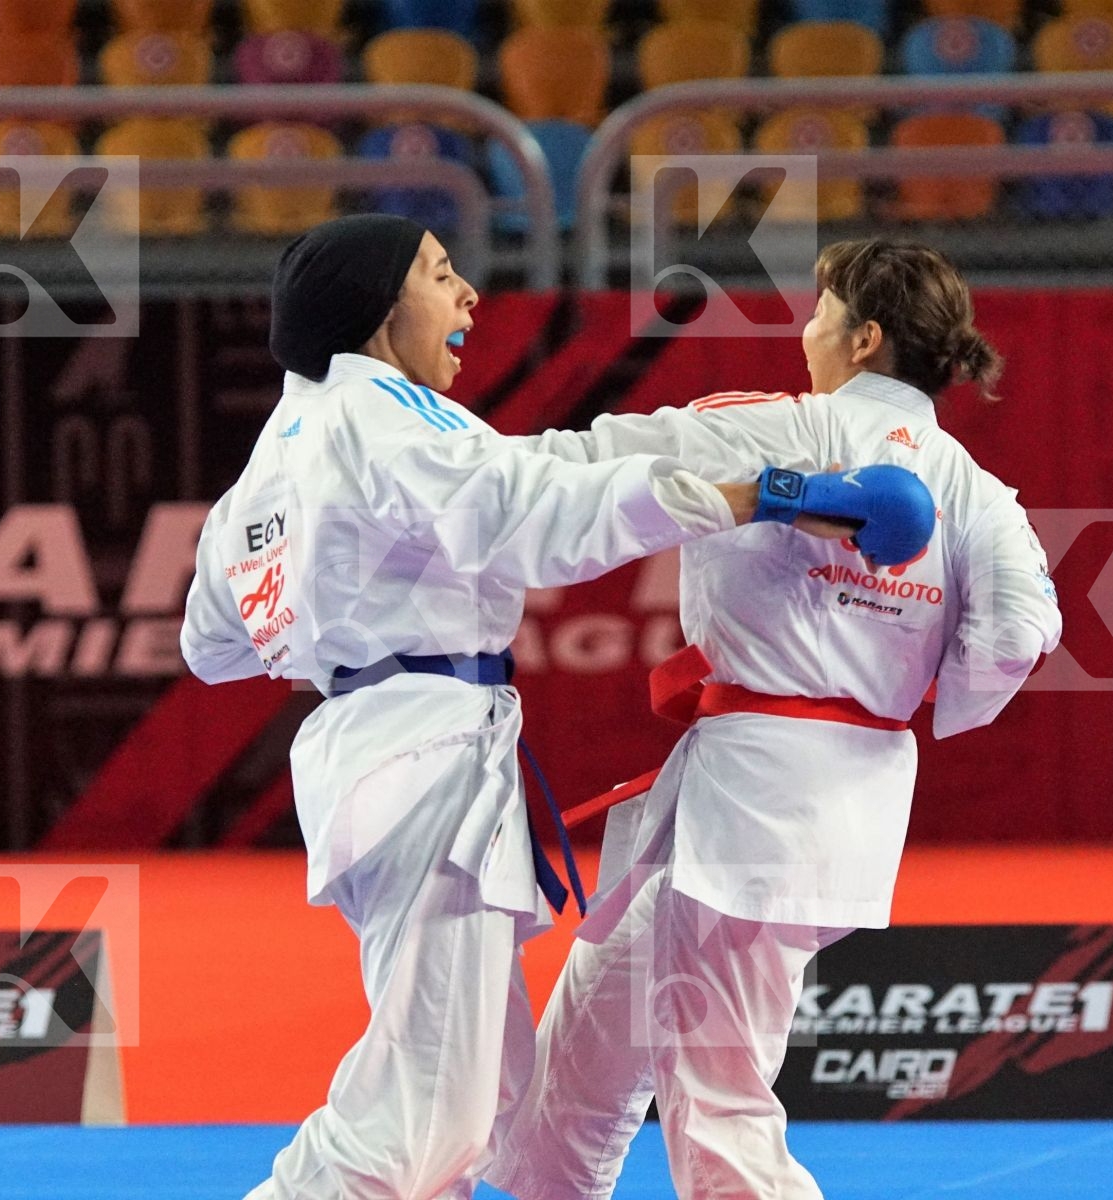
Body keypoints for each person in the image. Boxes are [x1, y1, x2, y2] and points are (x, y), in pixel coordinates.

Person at [177, 215, 936, 1200]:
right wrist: (759, 494)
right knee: (423, 1114)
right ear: (373, 310)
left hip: (363, 749)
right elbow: (536, 519)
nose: (468, 299)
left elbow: (213, 641)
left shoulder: (277, 453)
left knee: (482, 1100)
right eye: (441, 276)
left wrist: (340, 606)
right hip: (424, 753)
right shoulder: (391, 416)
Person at [486, 238, 1064, 1200]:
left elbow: (587, 459)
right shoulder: (982, 498)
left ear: (865, 335)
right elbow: (1016, 635)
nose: (807, 330)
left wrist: (443, 468)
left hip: (757, 797)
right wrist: (905, 683)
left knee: (717, 1101)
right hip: (841, 790)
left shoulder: (765, 430)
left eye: (821, 310)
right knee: (579, 1064)